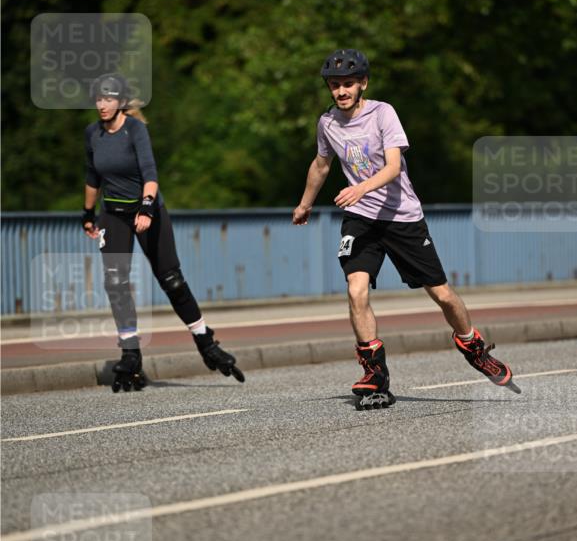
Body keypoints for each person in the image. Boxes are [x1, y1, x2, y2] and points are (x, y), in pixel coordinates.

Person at [292, 49, 519, 409]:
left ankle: (472, 346)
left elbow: (394, 167)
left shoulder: (383, 113)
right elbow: (321, 165)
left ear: (362, 83)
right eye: (334, 86)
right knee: (356, 290)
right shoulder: (328, 123)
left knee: (442, 295)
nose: (341, 91)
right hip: (362, 218)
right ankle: (375, 376)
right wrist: (305, 204)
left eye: (348, 84)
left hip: (402, 217)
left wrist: (360, 187)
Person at [82, 73, 244, 391]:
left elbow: (150, 174)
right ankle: (130, 353)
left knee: (170, 279)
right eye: (99, 99)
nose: (102, 105)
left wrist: (145, 207)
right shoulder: (93, 133)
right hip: (113, 214)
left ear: (121, 101)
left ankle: (205, 341)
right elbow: (92, 177)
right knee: (115, 281)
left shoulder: (135, 130)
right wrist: (87, 213)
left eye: (109, 99)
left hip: (148, 210)